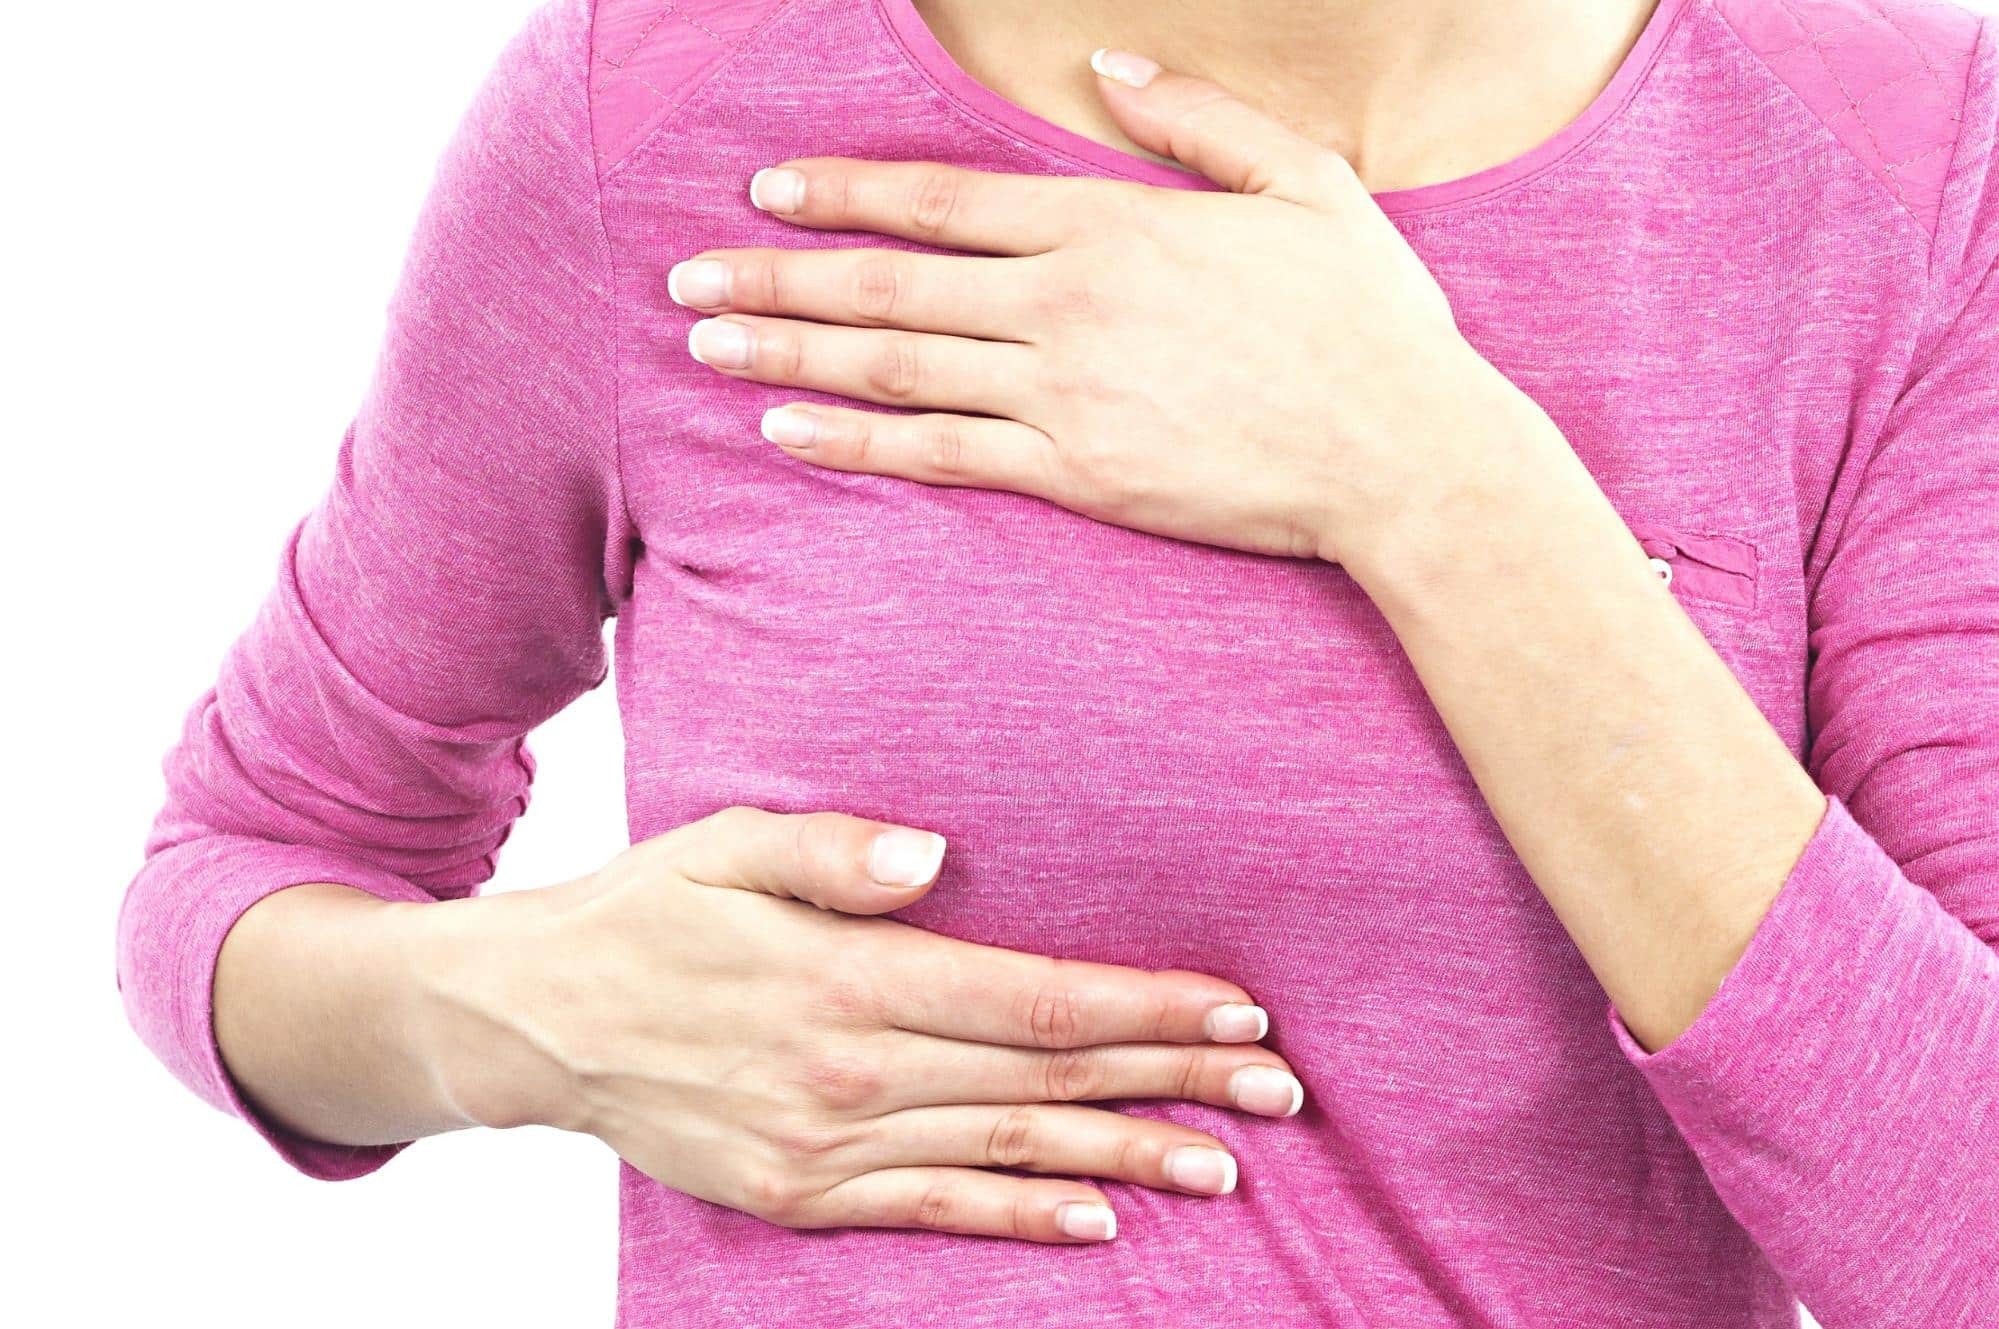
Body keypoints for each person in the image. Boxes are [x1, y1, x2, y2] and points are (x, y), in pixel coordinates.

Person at [117, 0, 1999, 1324]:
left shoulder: (1899, 171)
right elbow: (240, 866)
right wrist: (518, 1014)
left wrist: (1438, 483)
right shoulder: (659, 117)